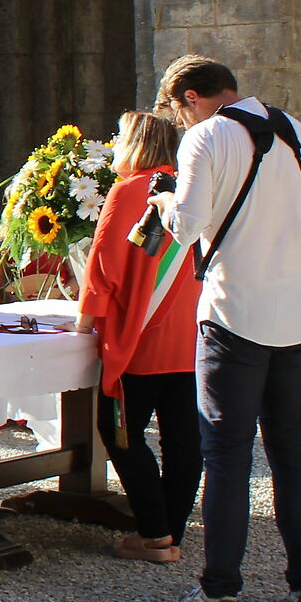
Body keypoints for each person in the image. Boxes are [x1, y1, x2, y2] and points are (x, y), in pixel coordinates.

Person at [153, 55, 301, 602]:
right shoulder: (299, 132)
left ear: (192, 99)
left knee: (226, 457)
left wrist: (162, 203)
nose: (180, 123)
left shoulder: (206, 136)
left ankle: (219, 590)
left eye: (178, 113)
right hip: (299, 310)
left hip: (235, 311)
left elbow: (185, 228)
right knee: (291, 450)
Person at [76, 113, 205, 564]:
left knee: (119, 431)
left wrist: (85, 322)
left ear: (135, 143)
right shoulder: (191, 188)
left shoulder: (130, 190)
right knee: (183, 438)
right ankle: (171, 531)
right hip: (192, 333)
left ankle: (154, 534)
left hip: (141, 335)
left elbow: (104, 265)